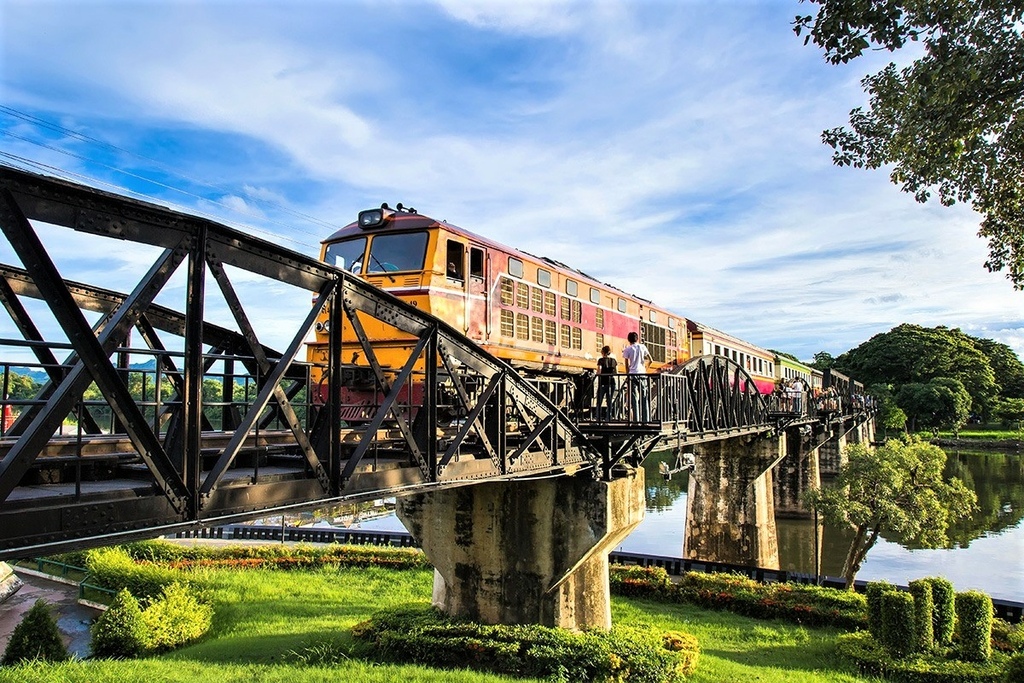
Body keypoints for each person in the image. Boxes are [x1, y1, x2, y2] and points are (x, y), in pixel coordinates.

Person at [621, 331, 652, 422]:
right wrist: (645, 368)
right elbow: (651, 360)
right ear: (637, 338)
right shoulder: (642, 347)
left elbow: (626, 365)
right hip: (642, 374)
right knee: (644, 397)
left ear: (628, 339)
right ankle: (646, 420)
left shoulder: (627, 349)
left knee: (634, 398)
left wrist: (628, 374)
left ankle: (636, 420)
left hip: (632, 374)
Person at [595, 346, 618, 421]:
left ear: (603, 352)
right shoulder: (614, 361)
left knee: (599, 401)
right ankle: (608, 418)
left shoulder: (601, 360)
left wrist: (597, 375)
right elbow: (616, 372)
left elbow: (599, 371)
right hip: (611, 383)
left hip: (603, 383)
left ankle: (598, 418)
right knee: (609, 401)